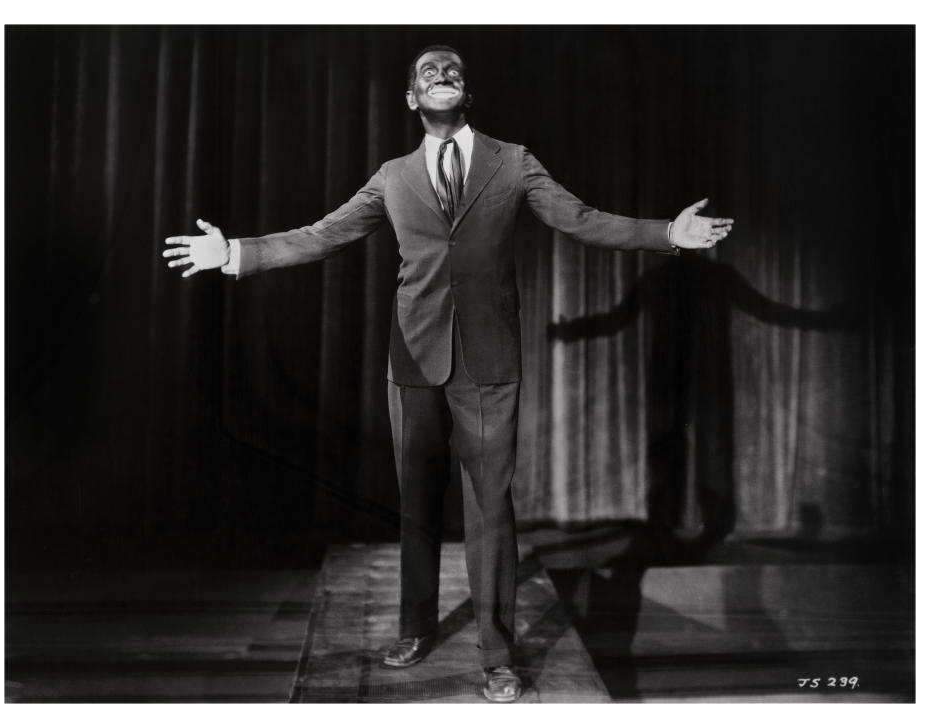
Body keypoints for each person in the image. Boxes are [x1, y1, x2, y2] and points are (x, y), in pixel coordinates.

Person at [163, 45, 733, 703]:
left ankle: (498, 655)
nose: (442, 74)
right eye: (428, 71)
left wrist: (668, 233)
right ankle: (414, 627)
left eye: (453, 70)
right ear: (411, 98)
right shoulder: (392, 176)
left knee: (491, 507)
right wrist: (235, 251)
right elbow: (325, 234)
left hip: (489, 362)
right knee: (416, 503)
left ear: (468, 94)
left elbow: (581, 219)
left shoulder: (513, 161)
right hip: (412, 357)